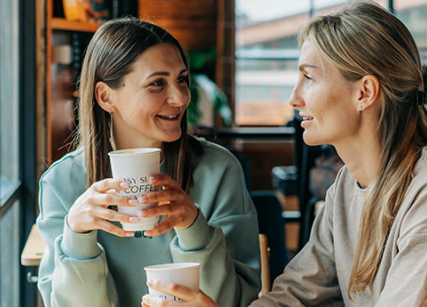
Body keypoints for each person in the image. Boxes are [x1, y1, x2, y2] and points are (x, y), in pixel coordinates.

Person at [141, 2, 427, 306]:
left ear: (365, 93)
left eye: (309, 77)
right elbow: (295, 294)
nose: (294, 98)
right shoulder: (348, 184)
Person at [37, 18, 261, 307]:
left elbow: (232, 302)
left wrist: (193, 226)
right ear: (106, 97)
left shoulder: (219, 170)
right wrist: (78, 239)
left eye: (181, 79)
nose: (180, 98)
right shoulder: (61, 183)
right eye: (157, 83)